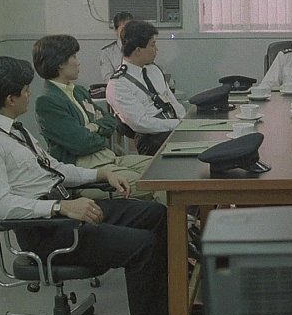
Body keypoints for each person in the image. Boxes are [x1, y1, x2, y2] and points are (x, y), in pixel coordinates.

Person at [0, 56, 171, 315]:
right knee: (142, 245)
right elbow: (2, 207)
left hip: (63, 211)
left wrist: (100, 175)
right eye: (25, 89)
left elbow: (55, 169)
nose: (30, 93)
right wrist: (62, 207)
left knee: (155, 215)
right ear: (10, 99)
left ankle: (160, 308)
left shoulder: (14, 131)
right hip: (44, 231)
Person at [32, 34, 160, 201]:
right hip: (86, 166)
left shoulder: (78, 91)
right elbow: (80, 143)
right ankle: (176, 217)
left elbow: (110, 121)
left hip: (108, 156)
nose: (78, 62)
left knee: (161, 169)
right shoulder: (47, 101)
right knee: (156, 183)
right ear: (60, 63)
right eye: (73, 57)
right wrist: (97, 131)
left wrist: (94, 127)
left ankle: (179, 216)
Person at [105, 20, 186, 156]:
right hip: (151, 137)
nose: (156, 50)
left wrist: (185, 122)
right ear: (138, 50)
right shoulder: (118, 84)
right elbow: (141, 123)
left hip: (173, 126)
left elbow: (173, 102)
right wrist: (177, 124)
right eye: (152, 45)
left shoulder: (154, 70)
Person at [99, 11, 134, 83]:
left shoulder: (139, 49)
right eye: (123, 28)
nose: (127, 31)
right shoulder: (107, 52)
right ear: (116, 29)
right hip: (117, 87)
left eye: (130, 28)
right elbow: (108, 79)